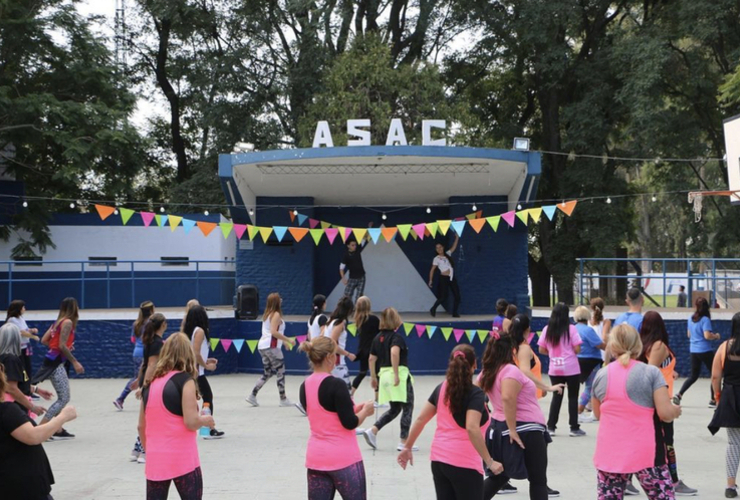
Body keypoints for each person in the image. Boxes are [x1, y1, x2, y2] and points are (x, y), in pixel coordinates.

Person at [397, 345, 504, 500]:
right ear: (474, 365)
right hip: (464, 463)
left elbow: (421, 419)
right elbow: (472, 428)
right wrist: (490, 461)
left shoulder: (441, 389)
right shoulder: (475, 394)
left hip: (439, 461)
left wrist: (407, 447)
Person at [592, 324, 681, 499]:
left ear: (612, 346)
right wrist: (675, 410)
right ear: (638, 345)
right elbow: (665, 413)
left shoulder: (601, 375)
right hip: (647, 453)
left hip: (610, 453)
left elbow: (598, 415)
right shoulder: (651, 373)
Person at [480, 333, 563, 500]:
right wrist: (512, 429)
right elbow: (508, 398)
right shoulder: (510, 370)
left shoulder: (488, 371)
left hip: (499, 428)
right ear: (512, 350)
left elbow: (474, 392)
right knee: (538, 480)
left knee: (500, 476)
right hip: (526, 429)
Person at [138, 333, 215, 500]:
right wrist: (205, 420)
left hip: (156, 459)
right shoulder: (185, 381)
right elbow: (191, 422)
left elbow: (141, 427)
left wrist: (151, 450)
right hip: (183, 458)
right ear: (187, 354)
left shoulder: (149, 384)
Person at [298, 335, 375, 500]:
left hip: (316, 458)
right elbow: (350, 423)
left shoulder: (304, 386)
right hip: (344, 459)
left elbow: (324, 413)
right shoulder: (336, 384)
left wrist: (354, 408)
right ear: (329, 358)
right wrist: (365, 412)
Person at [640, 311, 698, 496]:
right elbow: (650, 371)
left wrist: (669, 372)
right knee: (667, 443)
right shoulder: (658, 345)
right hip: (659, 399)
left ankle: (628, 478)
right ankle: (673, 480)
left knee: (652, 442)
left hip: (649, 399)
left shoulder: (642, 344)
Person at [0, 364, 78, 500]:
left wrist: (35, 389)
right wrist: (63, 416)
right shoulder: (6, 411)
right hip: (21, 486)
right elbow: (33, 436)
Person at [363, 307, 415, 451]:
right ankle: (403, 442)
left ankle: (373, 430)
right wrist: (397, 374)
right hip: (398, 376)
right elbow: (394, 353)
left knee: (395, 408)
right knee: (408, 407)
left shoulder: (377, 338)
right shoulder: (396, 338)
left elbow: (372, 358)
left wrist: (373, 377)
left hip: (384, 375)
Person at [32, 297, 83, 440]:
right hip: (56, 362)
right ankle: (42, 429)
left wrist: (61, 348)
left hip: (52, 359)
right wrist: (75, 362)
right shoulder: (67, 322)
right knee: (63, 398)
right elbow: (61, 345)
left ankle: (56, 428)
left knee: (62, 397)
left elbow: (44, 340)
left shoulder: (58, 322)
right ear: (73, 308)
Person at [538, 303, 584, 437]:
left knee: (556, 397)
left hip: (555, 368)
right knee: (573, 397)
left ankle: (551, 427)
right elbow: (577, 349)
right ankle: (574, 428)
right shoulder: (572, 329)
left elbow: (541, 349)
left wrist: (552, 353)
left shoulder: (547, 329)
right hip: (571, 368)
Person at [709, 312, 740, 498]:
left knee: (733, 443)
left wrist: (718, 396)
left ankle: (730, 485)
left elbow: (715, 377)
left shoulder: (724, 348)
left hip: (731, 397)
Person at [131, 312, 168, 463]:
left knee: (146, 420)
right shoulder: (157, 343)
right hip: (152, 385)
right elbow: (151, 365)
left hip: (147, 383)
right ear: (163, 325)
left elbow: (144, 364)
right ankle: (146, 451)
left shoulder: (149, 341)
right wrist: (144, 385)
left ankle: (138, 450)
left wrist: (139, 380)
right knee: (147, 421)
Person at [246, 293, 295, 407]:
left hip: (263, 346)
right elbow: (274, 332)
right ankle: (283, 398)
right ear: (277, 302)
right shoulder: (276, 314)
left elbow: (273, 332)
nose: (282, 300)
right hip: (271, 347)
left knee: (268, 373)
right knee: (280, 371)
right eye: (280, 299)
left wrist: (283, 342)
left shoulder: (267, 314)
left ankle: (252, 395)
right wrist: (288, 340)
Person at [183, 305, 224, 439]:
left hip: (191, 369)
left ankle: (206, 427)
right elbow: (195, 353)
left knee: (198, 398)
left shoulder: (190, 331)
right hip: (196, 372)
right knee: (207, 397)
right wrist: (206, 366)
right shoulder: (199, 331)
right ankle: (208, 429)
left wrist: (207, 359)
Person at [674, 297, 720, 408]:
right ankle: (713, 400)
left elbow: (689, 334)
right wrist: (716, 336)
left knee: (693, 376)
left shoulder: (691, 319)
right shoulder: (705, 320)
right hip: (705, 350)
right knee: (715, 374)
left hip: (693, 350)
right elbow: (707, 335)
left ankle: (679, 394)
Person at [0, 324, 53, 416]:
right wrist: (32, 407)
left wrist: (36, 390)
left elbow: (18, 385)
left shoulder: (6, 358)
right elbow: (12, 388)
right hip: (14, 409)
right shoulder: (10, 359)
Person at [114, 301, 155, 411]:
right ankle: (120, 399)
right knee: (142, 377)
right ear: (151, 311)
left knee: (138, 377)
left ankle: (122, 399)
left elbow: (132, 339)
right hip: (145, 353)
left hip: (136, 352)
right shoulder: (151, 324)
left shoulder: (136, 324)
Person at [574, 305, 605, 423]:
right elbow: (599, 344)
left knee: (585, 387)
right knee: (590, 387)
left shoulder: (572, 329)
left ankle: (582, 410)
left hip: (577, 360)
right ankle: (579, 410)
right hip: (591, 361)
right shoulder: (588, 330)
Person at [6, 300, 39, 395]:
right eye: (23, 307)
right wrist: (33, 337)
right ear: (18, 309)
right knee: (22, 369)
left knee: (28, 369)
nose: (25, 309)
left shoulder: (20, 318)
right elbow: (21, 332)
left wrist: (32, 330)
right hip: (17, 349)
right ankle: (22, 391)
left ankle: (28, 389)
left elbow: (25, 329)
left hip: (25, 347)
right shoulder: (12, 320)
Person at [323, 296, 356, 389]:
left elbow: (323, 338)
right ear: (349, 310)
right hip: (337, 363)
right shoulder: (339, 324)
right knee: (347, 395)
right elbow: (332, 343)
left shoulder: (329, 321)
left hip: (328, 362)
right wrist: (348, 354)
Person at [351, 296, 380, 396]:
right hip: (373, 350)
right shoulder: (374, 319)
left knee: (362, 373)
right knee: (376, 374)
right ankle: (377, 399)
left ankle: (351, 393)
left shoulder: (359, 319)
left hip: (363, 350)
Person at [429, 234, 461, 318]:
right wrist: (430, 280)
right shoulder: (436, 258)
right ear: (436, 250)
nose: (439, 249)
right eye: (437, 248)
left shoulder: (447, 254)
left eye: (440, 247)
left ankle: (454, 312)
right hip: (443, 278)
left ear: (443, 247)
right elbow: (432, 270)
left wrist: (456, 238)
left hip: (451, 277)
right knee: (443, 297)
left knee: (457, 296)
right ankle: (433, 308)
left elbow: (454, 247)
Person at [340, 233, 370, 304]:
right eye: (352, 245)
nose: (355, 246)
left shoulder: (358, 250)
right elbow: (341, 268)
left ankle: (357, 312)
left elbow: (364, 238)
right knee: (347, 295)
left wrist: (369, 228)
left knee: (359, 296)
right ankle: (346, 310)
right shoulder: (346, 256)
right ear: (348, 246)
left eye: (355, 245)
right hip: (352, 278)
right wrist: (343, 279)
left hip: (361, 277)